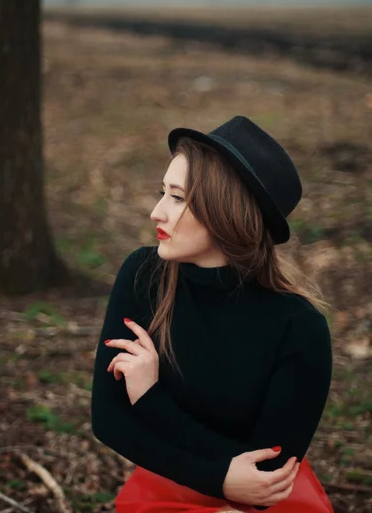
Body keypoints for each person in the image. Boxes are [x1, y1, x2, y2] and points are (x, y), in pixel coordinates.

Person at [91, 116, 334, 512]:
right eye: (162, 192)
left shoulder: (299, 328)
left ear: (226, 211)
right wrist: (217, 476)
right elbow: (109, 419)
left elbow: (266, 474)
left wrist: (150, 402)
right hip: (171, 481)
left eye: (177, 197)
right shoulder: (144, 275)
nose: (156, 212)